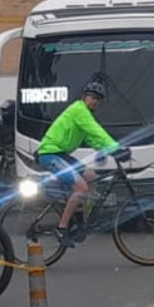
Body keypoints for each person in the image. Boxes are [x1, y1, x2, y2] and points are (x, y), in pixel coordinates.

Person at [36, 78, 122, 245]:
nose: (95, 101)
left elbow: (92, 139)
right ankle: (61, 228)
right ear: (85, 97)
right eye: (92, 97)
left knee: (91, 176)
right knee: (81, 187)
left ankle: (82, 220)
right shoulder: (79, 110)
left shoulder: (85, 114)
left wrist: (105, 150)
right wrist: (116, 147)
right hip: (50, 154)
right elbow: (96, 130)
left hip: (61, 153)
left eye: (99, 99)